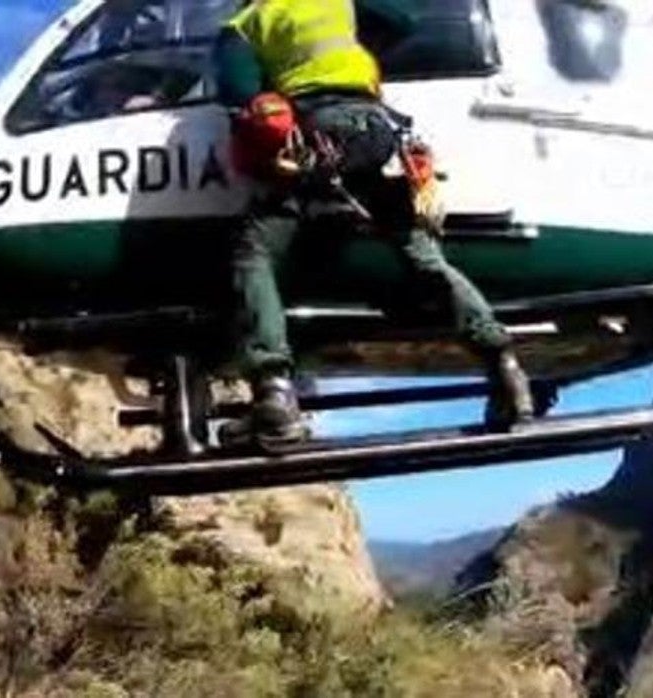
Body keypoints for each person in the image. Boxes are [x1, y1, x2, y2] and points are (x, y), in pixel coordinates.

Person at [215, 0, 535, 446]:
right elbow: (401, 19)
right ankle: (506, 370)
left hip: (316, 132)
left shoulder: (246, 22)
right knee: (419, 253)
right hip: (376, 129)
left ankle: (274, 394)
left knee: (255, 252)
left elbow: (237, 94)